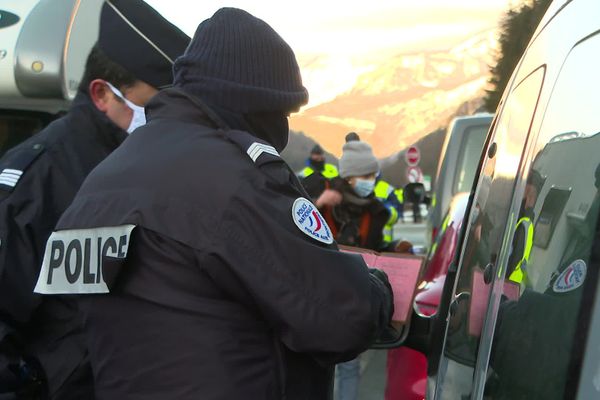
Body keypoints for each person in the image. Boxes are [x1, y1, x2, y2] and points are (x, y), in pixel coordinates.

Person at [31, 8, 394, 400]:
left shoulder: (100, 182)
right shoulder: (233, 181)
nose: (284, 128)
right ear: (256, 104)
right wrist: (379, 287)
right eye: (283, 112)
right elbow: (341, 317)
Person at [0, 1, 190, 398]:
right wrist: (36, 381)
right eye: (156, 106)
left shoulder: (150, 170)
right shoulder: (40, 176)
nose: (167, 121)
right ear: (103, 94)